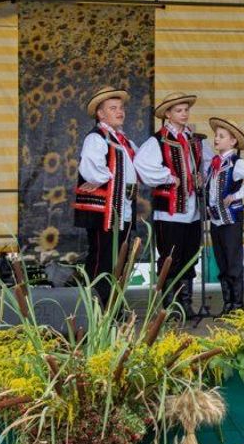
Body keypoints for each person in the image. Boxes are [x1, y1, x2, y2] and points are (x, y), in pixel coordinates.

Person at [134, 92, 213, 316]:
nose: (184, 113)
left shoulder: (195, 140)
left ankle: (185, 304)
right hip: (170, 211)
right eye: (179, 110)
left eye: (186, 109)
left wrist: (200, 176)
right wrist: (168, 177)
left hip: (192, 209)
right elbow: (142, 165)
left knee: (189, 256)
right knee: (171, 256)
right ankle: (170, 307)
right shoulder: (158, 140)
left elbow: (207, 163)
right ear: (168, 114)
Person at [74, 86, 138, 302]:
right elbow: (92, 168)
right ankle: (98, 307)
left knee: (119, 258)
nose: (120, 112)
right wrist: (106, 178)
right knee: (103, 258)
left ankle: (113, 305)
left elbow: (138, 165)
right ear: (100, 114)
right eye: (113, 108)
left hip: (123, 206)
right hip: (106, 210)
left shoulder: (123, 140)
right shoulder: (97, 137)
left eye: (121, 108)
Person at [204, 117, 244, 314]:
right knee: (222, 261)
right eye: (216, 136)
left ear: (233, 142)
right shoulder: (215, 164)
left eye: (221, 136)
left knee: (233, 261)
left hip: (231, 220)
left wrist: (237, 195)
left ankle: (237, 306)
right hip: (216, 219)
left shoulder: (236, 163)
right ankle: (228, 304)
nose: (216, 139)